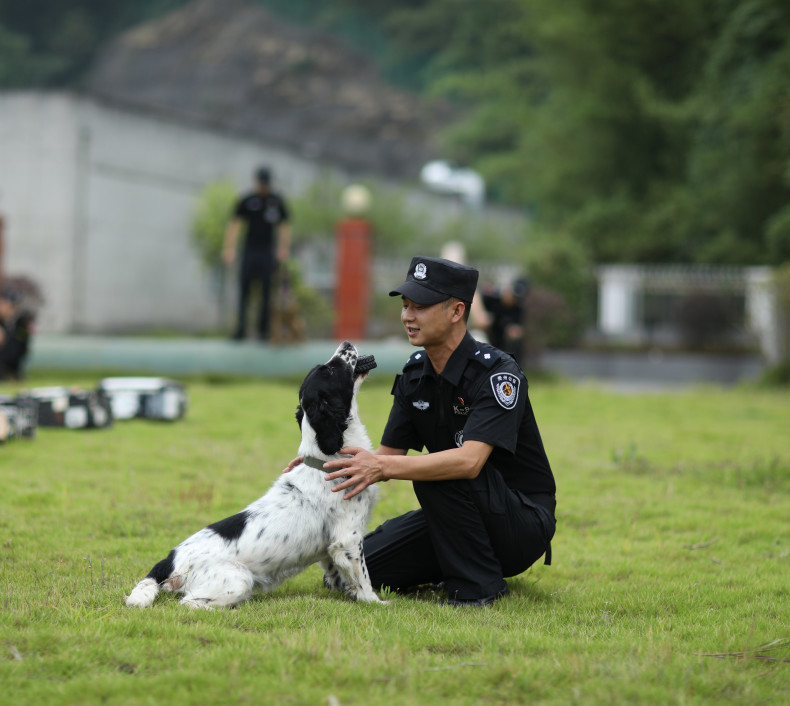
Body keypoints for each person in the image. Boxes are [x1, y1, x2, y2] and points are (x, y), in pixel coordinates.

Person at [320, 256, 556, 607]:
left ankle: (478, 589)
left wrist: (383, 468)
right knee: (349, 574)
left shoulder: (496, 374)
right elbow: (384, 458)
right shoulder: (415, 375)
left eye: (420, 307)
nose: (407, 316)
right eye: (405, 305)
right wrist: (319, 463)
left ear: (456, 311)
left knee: (438, 472)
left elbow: (469, 462)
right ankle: (454, 563)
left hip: (520, 523)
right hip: (456, 512)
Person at [222, 166, 291, 341]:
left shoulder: (276, 201)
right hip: (249, 251)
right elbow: (235, 224)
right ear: (256, 183)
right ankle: (241, 329)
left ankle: (263, 330)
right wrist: (229, 248)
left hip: (267, 252)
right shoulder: (247, 200)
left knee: (267, 291)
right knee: (244, 290)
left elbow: (284, 226)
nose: (263, 187)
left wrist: (283, 249)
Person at [480, 277, 528, 367]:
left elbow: (519, 327)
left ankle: (514, 367)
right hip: (490, 334)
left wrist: (515, 331)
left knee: (517, 344)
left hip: (504, 339)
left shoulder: (517, 309)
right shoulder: (493, 300)